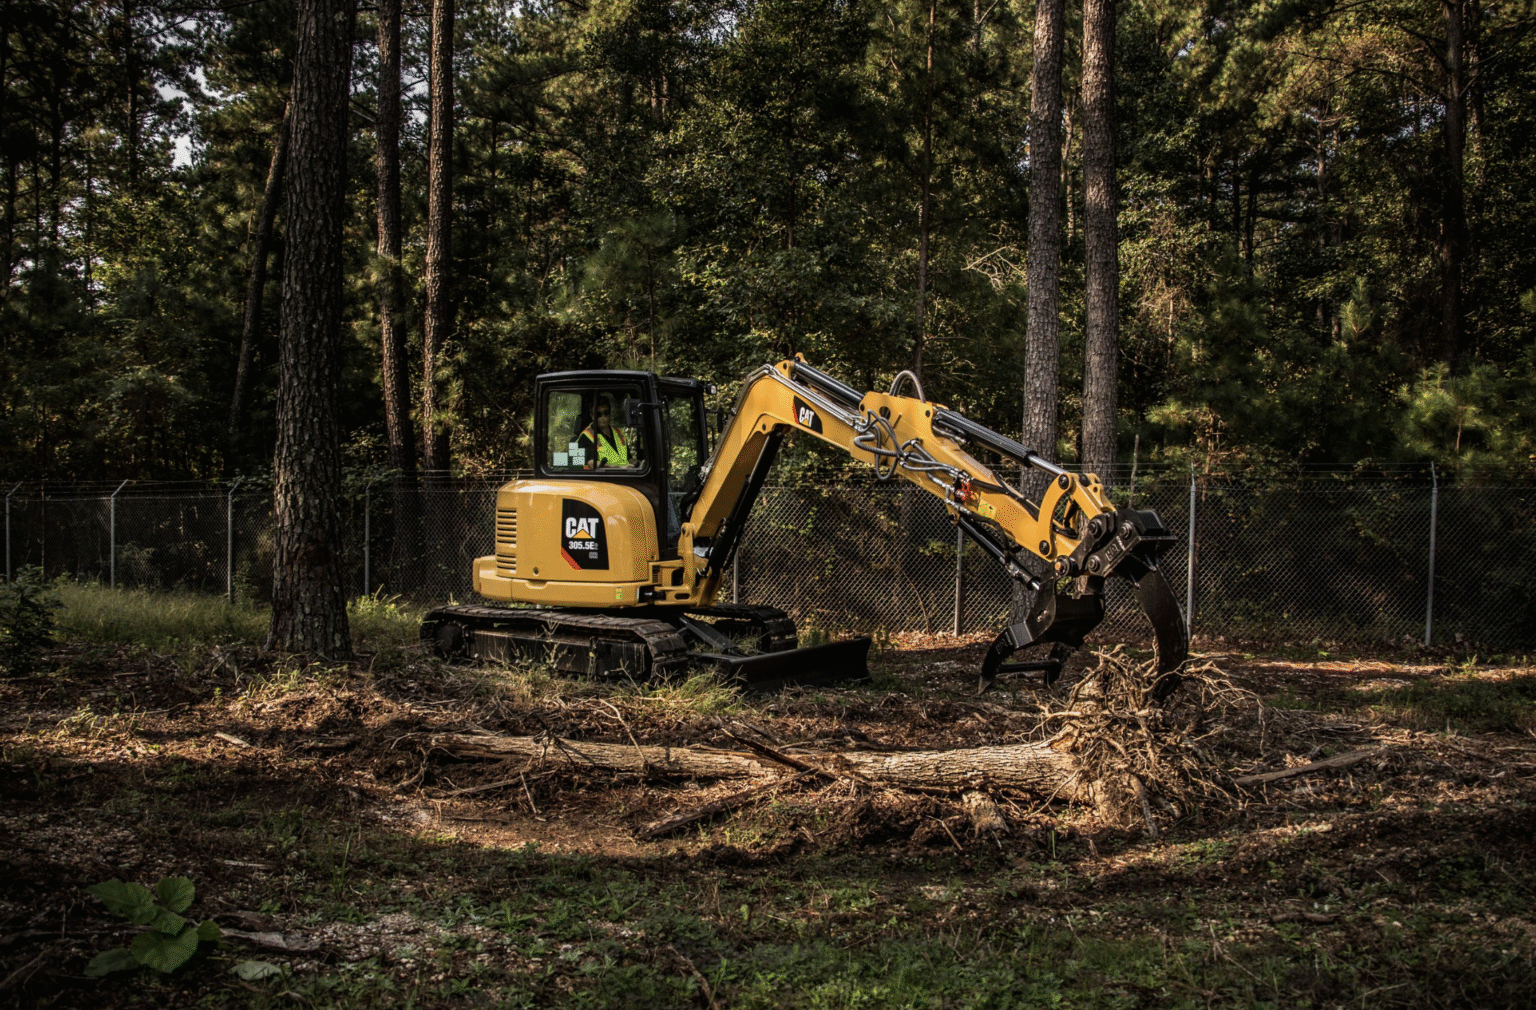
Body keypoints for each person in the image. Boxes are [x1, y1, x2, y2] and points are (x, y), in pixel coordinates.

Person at [578, 397, 631, 469]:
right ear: (592, 415)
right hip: (602, 478)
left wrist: (639, 464)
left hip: (626, 475)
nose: (603, 417)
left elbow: (629, 458)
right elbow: (592, 463)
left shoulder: (619, 432)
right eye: (598, 414)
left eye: (606, 413)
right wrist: (618, 468)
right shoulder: (586, 436)